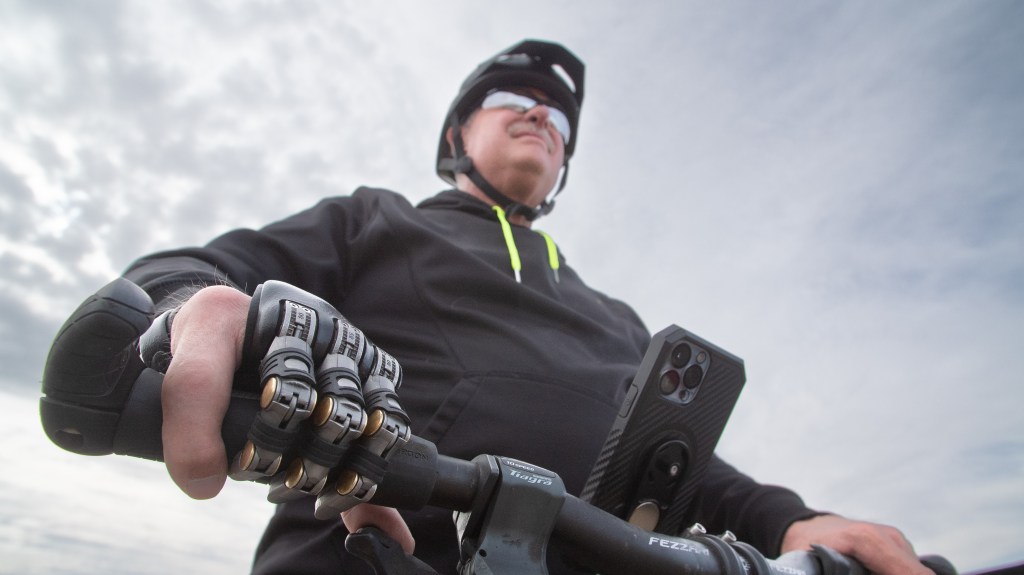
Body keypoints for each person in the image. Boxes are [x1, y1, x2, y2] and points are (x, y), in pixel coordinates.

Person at [117, 40, 931, 574]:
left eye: (561, 115)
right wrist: (194, 304)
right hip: (375, 552)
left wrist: (793, 521)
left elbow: (679, 466)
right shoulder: (373, 219)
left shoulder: (617, 318)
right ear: (457, 135)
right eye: (515, 94)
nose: (544, 112)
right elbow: (197, 270)